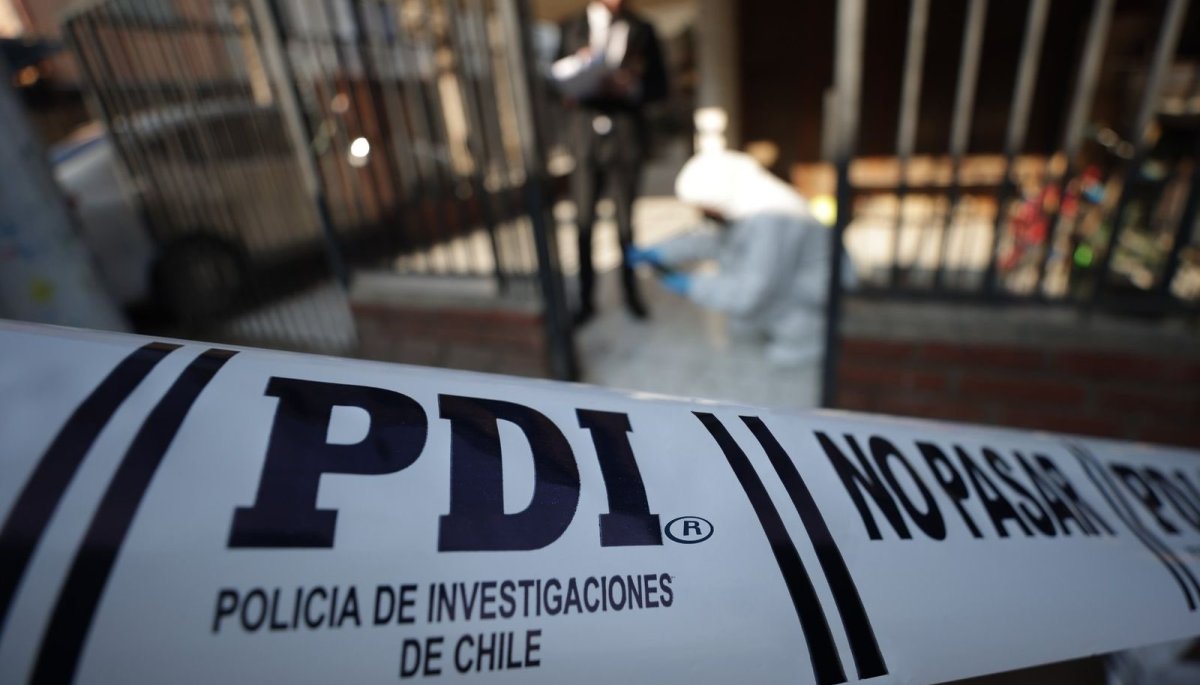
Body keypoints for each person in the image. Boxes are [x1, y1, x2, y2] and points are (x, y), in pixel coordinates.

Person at [628, 149, 850, 367]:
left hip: (816, 293)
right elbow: (712, 239)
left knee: (781, 326)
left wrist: (693, 285)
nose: (703, 212)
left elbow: (754, 290)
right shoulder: (745, 202)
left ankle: (810, 336)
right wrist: (660, 251)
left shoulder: (774, 219)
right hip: (791, 278)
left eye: (704, 206)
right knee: (744, 318)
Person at [556, 0, 668, 325]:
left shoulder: (642, 28)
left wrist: (631, 86)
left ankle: (631, 294)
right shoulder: (570, 27)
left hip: (625, 136)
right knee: (583, 223)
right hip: (584, 138)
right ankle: (585, 300)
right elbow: (552, 82)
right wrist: (577, 75)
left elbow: (660, 86)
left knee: (625, 223)